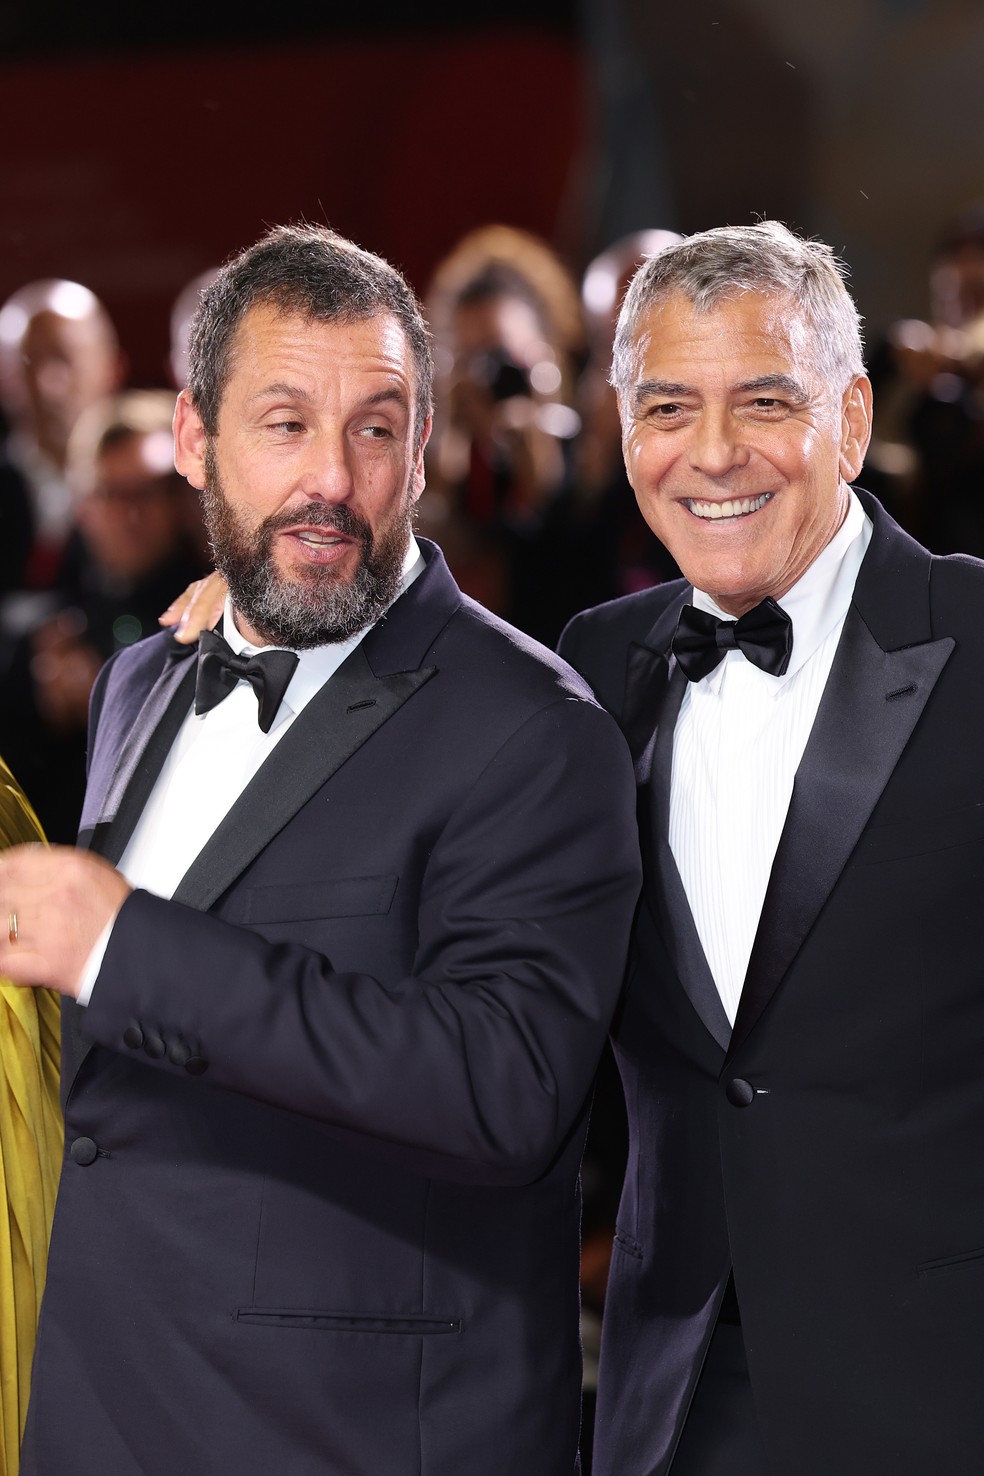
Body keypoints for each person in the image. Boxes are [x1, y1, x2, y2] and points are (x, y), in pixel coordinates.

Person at [0, 222, 641, 1476]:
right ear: (196, 439)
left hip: (344, 1437)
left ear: (424, 450)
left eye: (377, 427)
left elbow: (501, 1088)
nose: (333, 483)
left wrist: (127, 944)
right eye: (286, 423)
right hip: (99, 1411)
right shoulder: (146, 680)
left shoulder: (535, 729)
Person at [557, 220, 984, 1475]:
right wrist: (258, 623)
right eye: (668, 407)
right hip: (674, 1398)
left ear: (852, 421)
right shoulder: (593, 663)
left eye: (764, 402)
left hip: (942, 1387)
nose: (712, 454)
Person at [0, 279, 125, 613]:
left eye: (65, 358)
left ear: (112, 368)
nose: (48, 385)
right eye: (28, 361)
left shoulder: (168, 492)